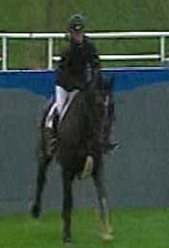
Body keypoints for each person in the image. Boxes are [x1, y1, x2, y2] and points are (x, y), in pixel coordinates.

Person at [44, 13, 117, 155]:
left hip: (82, 85)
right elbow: (63, 72)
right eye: (75, 32)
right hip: (65, 86)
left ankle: (104, 138)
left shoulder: (88, 47)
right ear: (70, 33)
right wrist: (75, 85)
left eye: (80, 31)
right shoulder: (67, 50)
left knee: (98, 108)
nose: (78, 35)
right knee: (58, 109)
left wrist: (95, 79)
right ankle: (52, 139)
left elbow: (95, 64)